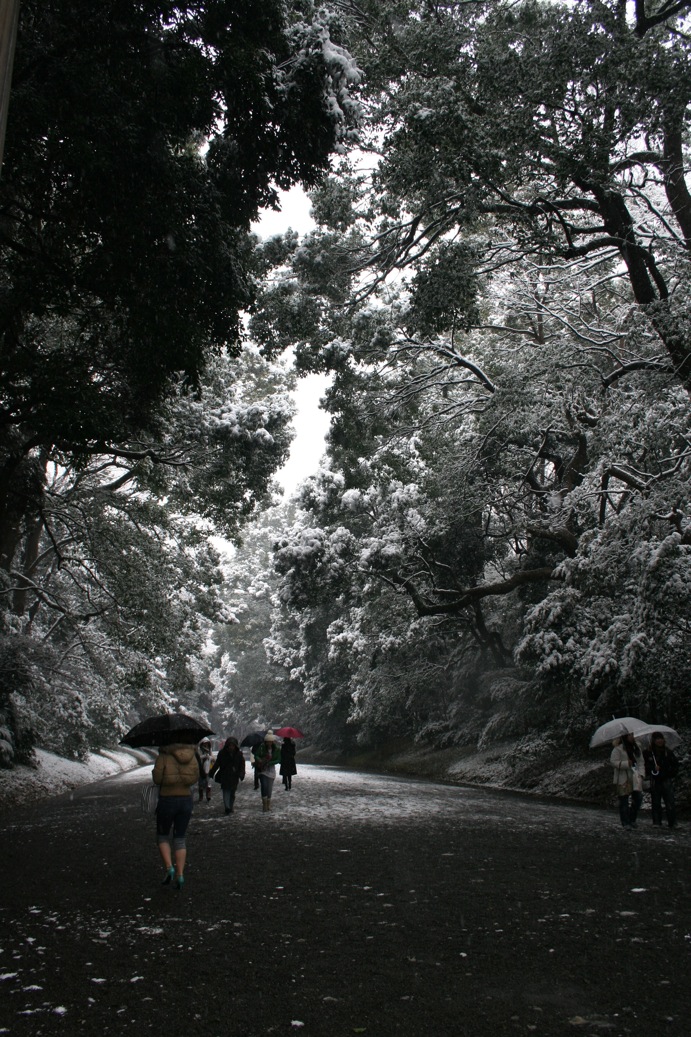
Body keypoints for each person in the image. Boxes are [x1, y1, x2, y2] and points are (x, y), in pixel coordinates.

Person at [152, 740, 199, 890]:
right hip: (185, 800)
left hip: (167, 800)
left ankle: (169, 867)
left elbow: (157, 779)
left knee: (162, 835)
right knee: (180, 838)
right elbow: (195, 777)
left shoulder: (164, 756)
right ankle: (180, 873)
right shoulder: (191, 755)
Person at [643, 732, 679, 829]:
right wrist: (653, 768)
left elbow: (675, 765)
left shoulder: (668, 752)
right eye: (657, 739)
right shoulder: (648, 753)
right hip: (655, 779)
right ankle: (657, 821)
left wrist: (668, 772)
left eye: (661, 738)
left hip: (666, 779)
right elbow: (645, 766)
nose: (659, 741)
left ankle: (672, 822)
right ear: (653, 741)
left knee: (670, 801)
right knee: (656, 801)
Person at [610, 734, 643, 829]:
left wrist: (641, 774)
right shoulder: (618, 749)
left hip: (635, 776)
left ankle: (632, 819)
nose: (632, 737)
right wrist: (625, 763)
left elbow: (641, 762)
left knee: (638, 798)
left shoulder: (637, 748)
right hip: (623, 778)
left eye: (632, 735)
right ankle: (625, 822)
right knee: (624, 800)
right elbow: (613, 762)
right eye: (630, 735)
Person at [209, 737, 246, 814]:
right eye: (230, 745)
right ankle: (227, 807)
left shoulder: (239, 754)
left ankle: (230, 806)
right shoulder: (222, 753)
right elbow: (217, 764)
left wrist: (241, 774)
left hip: (234, 776)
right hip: (225, 775)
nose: (231, 747)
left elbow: (242, 765)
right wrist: (212, 772)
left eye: (233, 745)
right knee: (226, 791)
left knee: (232, 793)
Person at [252, 730, 281, 812]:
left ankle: (268, 803)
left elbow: (279, 759)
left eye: (270, 742)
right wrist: (260, 760)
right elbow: (256, 755)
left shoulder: (276, 749)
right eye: (267, 742)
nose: (269, 744)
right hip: (262, 770)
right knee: (264, 785)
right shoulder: (261, 747)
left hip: (271, 771)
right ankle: (264, 804)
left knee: (269, 788)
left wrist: (271, 762)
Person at [195, 738, 213, 803]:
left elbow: (212, 757)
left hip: (208, 768)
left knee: (208, 783)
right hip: (201, 768)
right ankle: (201, 796)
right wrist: (204, 756)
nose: (206, 745)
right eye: (204, 744)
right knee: (201, 784)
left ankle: (208, 796)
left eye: (207, 744)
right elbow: (198, 757)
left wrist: (209, 757)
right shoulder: (199, 750)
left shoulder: (209, 749)